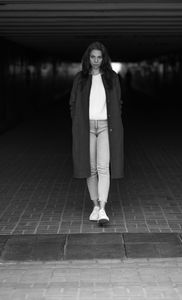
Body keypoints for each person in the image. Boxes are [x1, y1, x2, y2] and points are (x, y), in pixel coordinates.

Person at [69, 41, 124, 225]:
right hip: (86, 127)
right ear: (88, 58)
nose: (96, 60)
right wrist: (77, 122)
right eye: (93, 57)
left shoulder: (112, 78)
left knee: (103, 167)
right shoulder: (80, 78)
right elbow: (73, 103)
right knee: (90, 168)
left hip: (105, 127)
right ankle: (94, 206)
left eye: (99, 57)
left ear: (104, 59)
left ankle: (102, 209)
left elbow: (118, 103)